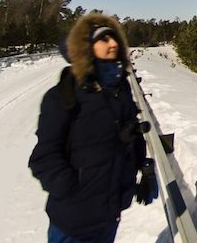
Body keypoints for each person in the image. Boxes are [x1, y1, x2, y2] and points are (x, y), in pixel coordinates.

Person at [29, 13, 157, 243]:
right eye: (104, 39)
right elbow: (44, 158)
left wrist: (143, 168)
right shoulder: (64, 95)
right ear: (86, 47)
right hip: (73, 224)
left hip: (110, 214)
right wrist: (74, 191)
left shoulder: (121, 89)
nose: (114, 44)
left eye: (115, 37)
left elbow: (131, 136)